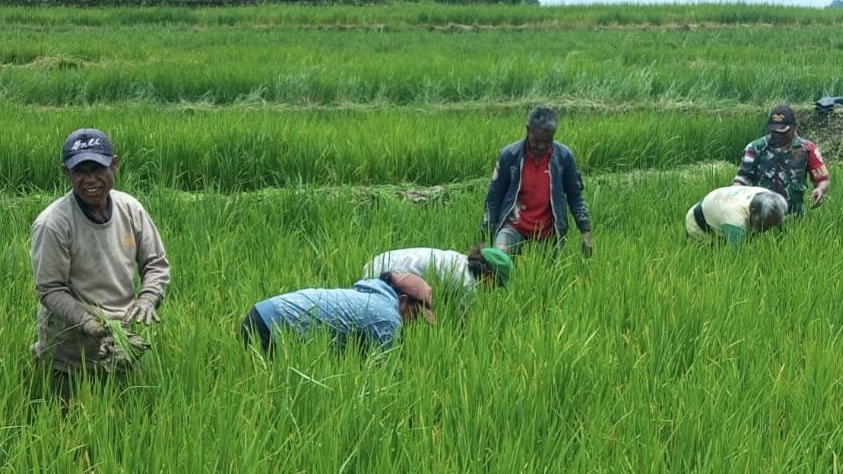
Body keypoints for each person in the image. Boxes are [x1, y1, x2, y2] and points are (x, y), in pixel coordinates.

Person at [30, 128, 171, 407]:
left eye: (98, 168)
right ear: (66, 173)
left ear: (114, 164)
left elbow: (155, 262)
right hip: (67, 347)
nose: (90, 179)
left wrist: (149, 296)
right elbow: (50, 289)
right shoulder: (53, 224)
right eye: (80, 171)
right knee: (67, 426)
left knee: (128, 416)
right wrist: (88, 323)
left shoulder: (130, 208)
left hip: (119, 340)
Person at [483, 105, 593, 256]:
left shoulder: (564, 157)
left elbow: (575, 197)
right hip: (514, 226)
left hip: (548, 231)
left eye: (547, 142)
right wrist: (487, 233)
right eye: (536, 141)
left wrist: (586, 232)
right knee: (499, 258)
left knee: (549, 276)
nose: (541, 147)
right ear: (528, 130)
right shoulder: (510, 155)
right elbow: (493, 198)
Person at [241, 272, 435, 354]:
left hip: (261, 314)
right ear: (403, 300)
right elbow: (387, 371)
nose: (414, 322)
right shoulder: (386, 316)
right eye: (416, 314)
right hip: (270, 328)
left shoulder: (370, 296)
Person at [732, 104, 830, 215]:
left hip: (794, 219)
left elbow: (822, 179)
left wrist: (820, 189)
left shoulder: (807, 149)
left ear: (795, 126)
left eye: (783, 132)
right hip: (760, 218)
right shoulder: (755, 148)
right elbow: (742, 178)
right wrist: (734, 194)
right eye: (774, 131)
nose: (778, 135)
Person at [362, 244, 514, 298]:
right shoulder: (466, 284)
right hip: (383, 278)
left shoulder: (457, 259)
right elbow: (461, 325)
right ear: (488, 274)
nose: (493, 289)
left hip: (378, 262)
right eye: (497, 284)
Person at [685, 186, 788, 250]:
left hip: (717, 207)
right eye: (765, 225)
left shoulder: (769, 198)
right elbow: (738, 258)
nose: (768, 229)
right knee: (713, 256)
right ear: (753, 212)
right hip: (700, 224)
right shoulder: (735, 219)